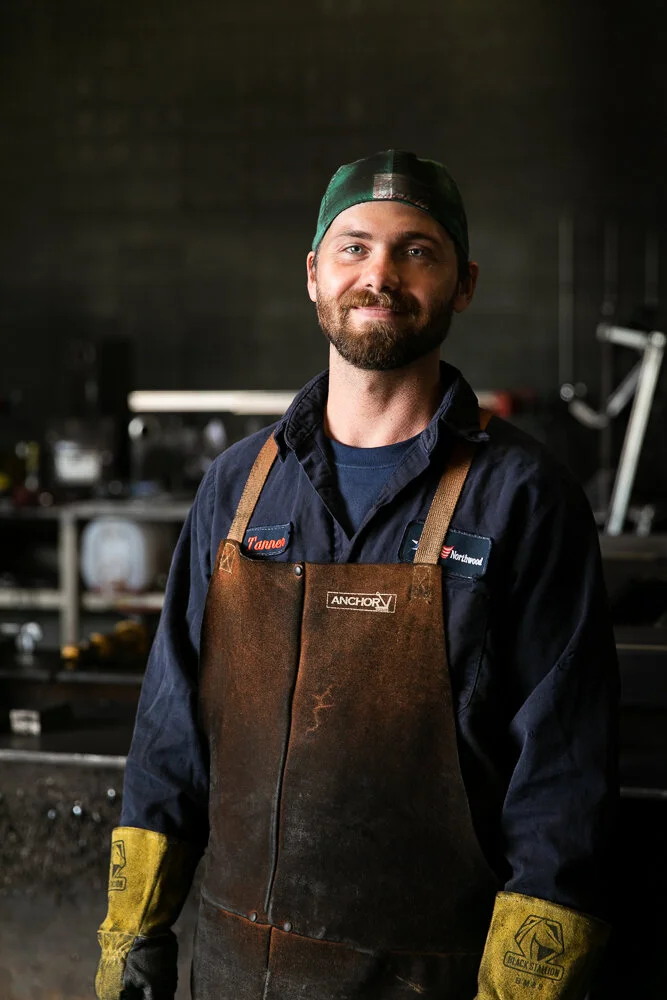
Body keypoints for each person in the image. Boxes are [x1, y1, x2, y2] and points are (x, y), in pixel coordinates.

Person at [95, 150, 618, 1000]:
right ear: (313, 274)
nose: (380, 273)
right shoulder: (237, 486)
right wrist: (133, 935)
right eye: (354, 247)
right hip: (229, 974)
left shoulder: (524, 499)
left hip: (430, 979)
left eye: (417, 249)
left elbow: (562, 784)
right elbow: (169, 734)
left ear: (463, 283)